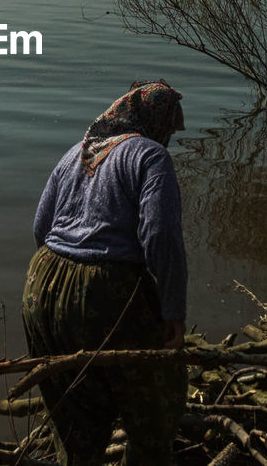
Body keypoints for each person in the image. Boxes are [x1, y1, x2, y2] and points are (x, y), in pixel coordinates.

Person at [22, 79, 189, 466]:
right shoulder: (150, 157)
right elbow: (159, 235)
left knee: (73, 414)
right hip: (104, 284)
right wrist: (173, 310)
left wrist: (58, 287)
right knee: (157, 403)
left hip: (40, 281)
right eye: (171, 128)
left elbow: (40, 226)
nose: (170, 137)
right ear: (157, 122)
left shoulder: (75, 154)